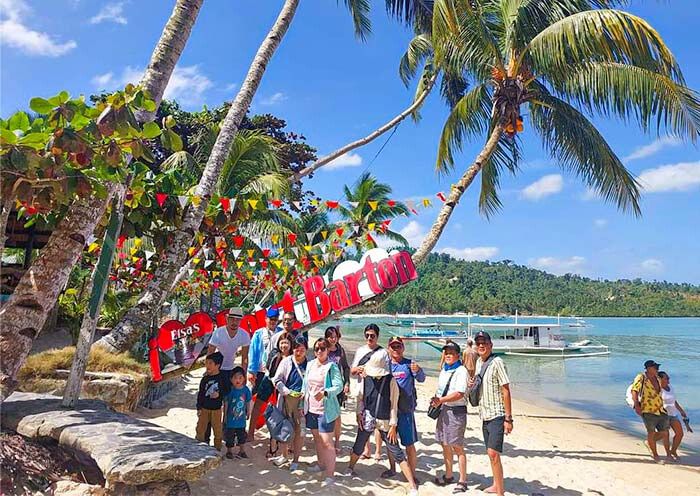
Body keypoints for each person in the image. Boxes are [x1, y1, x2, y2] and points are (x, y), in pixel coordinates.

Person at [346, 327, 418, 496]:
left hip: (386, 419)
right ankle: (350, 467)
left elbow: (394, 404)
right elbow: (361, 398)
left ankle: (412, 484)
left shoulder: (391, 381)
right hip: (369, 415)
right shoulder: (366, 378)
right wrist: (358, 413)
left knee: (396, 450)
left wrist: (393, 425)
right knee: (359, 443)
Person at [473, 331, 513, 496]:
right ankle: (496, 484)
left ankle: (500, 492)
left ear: (491, 345)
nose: (481, 345)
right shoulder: (478, 362)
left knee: (493, 453)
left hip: (497, 414)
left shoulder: (498, 362)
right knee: (490, 453)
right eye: (479, 343)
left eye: (484, 343)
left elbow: (506, 390)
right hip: (484, 413)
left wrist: (508, 419)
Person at [302, 338, 344, 486]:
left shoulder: (331, 367)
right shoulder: (310, 364)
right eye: (317, 348)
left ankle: (330, 475)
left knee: (327, 442)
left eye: (323, 348)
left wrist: (326, 392)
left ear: (327, 350)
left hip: (326, 410)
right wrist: (302, 402)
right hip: (311, 408)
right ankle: (320, 464)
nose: (320, 351)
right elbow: (305, 384)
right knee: (317, 439)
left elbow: (339, 386)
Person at [385, 336, 425, 482]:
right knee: (391, 443)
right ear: (389, 348)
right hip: (390, 411)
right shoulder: (386, 365)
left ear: (403, 348)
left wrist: (419, 370)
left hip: (406, 410)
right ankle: (392, 469)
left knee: (409, 444)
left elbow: (421, 379)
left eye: (398, 346)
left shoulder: (409, 364)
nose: (396, 349)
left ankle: (412, 474)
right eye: (393, 346)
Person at [431, 341, 468, 493]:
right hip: (443, 410)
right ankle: (449, 475)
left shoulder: (461, 371)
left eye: (451, 353)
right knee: (444, 443)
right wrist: (436, 400)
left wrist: (441, 400)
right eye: (446, 353)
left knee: (457, 446)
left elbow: (459, 393)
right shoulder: (444, 369)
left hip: (456, 411)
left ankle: (463, 481)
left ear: (458, 355)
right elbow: (442, 390)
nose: (448, 355)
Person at [350, 324, 387, 461]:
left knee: (377, 421)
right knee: (362, 418)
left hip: (378, 389)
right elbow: (352, 370)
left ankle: (378, 450)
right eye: (367, 335)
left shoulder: (382, 353)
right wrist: (358, 369)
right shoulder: (360, 351)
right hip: (362, 388)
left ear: (377, 336)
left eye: (372, 335)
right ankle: (366, 449)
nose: (369, 338)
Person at [272, 335, 308, 471]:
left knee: (300, 431)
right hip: (287, 399)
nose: (299, 352)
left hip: (302, 402)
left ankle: (296, 459)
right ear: (293, 349)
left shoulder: (309, 364)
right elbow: (277, 380)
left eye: (302, 350)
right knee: (285, 428)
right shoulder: (286, 362)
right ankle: (284, 454)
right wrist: (286, 391)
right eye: (297, 349)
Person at [247, 307, 282, 442]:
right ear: (266, 319)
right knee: (256, 400)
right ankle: (250, 432)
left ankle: (277, 433)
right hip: (262, 372)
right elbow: (253, 353)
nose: (273, 322)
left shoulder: (281, 333)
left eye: (275, 319)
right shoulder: (259, 334)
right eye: (270, 319)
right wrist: (251, 370)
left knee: (278, 403)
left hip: (278, 373)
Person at [631, 360, 671, 462]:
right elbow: (634, 390)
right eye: (655, 367)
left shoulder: (658, 378)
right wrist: (636, 405)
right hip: (648, 410)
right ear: (648, 368)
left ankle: (649, 442)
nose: (657, 369)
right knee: (651, 432)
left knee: (665, 432)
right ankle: (655, 455)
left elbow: (663, 390)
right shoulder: (641, 377)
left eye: (657, 367)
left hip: (660, 409)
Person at [195, 352, 229, 451]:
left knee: (217, 430)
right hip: (205, 408)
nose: (207, 366)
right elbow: (200, 394)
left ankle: (217, 448)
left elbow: (227, 390)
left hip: (217, 409)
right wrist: (199, 407)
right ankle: (199, 447)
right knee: (201, 428)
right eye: (206, 363)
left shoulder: (222, 378)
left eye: (210, 363)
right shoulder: (205, 379)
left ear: (217, 365)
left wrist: (219, 394)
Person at [207, 307, 251, 383]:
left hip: (231, 369)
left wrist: (244, 374)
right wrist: (208, 370)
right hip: (216, 369)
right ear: (227, 319)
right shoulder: (218, 332)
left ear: (240, 321)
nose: (234, 322)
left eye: (237, 319)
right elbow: (210, 352)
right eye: (232, 319)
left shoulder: (244, 335)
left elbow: (245, 358)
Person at [325, 326, 350, 453]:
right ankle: (326, 439)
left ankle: (337, 441)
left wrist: (347, 383)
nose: (333, 339)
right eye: (331, 337)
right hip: (324, 385)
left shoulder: (340, 350)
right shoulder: (322, 349)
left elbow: (346, 367)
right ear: (326, 337)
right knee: (324, 413)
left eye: (335, 337)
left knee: (337, 414)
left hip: (338, 386)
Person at [223, 366, 252, 459]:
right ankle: (229, 451)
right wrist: (225, 415)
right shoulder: (230, 390)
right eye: (235, 378)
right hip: (231, 419)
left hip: (241, 419)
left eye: (240, 378)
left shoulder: (246, 390)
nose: (238, 380)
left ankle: (242, 450)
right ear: (231, 379)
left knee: (242, 436)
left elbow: (248, 401)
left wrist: (248, 412)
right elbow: (226, 403)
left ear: (244, 378)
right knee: (229, 436)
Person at [658, 371, 687, 461]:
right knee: (666, 435)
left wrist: (681, 410)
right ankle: (668, 454)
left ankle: (673, 451)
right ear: (660, 379)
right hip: (663, 415)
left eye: (668, 378)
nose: (668, 380)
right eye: (666, 378)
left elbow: (674, 401)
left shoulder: (670, 387)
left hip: (673, 414)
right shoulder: (657, 389)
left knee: (680, 434)